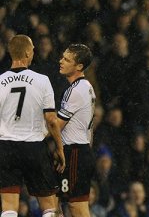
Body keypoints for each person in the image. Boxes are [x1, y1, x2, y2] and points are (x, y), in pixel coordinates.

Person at [0, 34, 65, 217]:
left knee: (9, 207)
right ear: (28, 53)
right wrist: (59, 148)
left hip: (5, 147)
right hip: (34, 148)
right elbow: (52, 120)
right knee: (49, 206)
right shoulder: (42, 80)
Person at [56, 44, 96, 216]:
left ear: (79, 66)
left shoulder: (76, 90)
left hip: (75, 153)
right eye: (62, 57)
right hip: (79, 151)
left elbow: (57, 125)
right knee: (56, 202)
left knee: (76, 207)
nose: (61, 61)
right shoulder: (86, 87)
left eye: (67, 59)